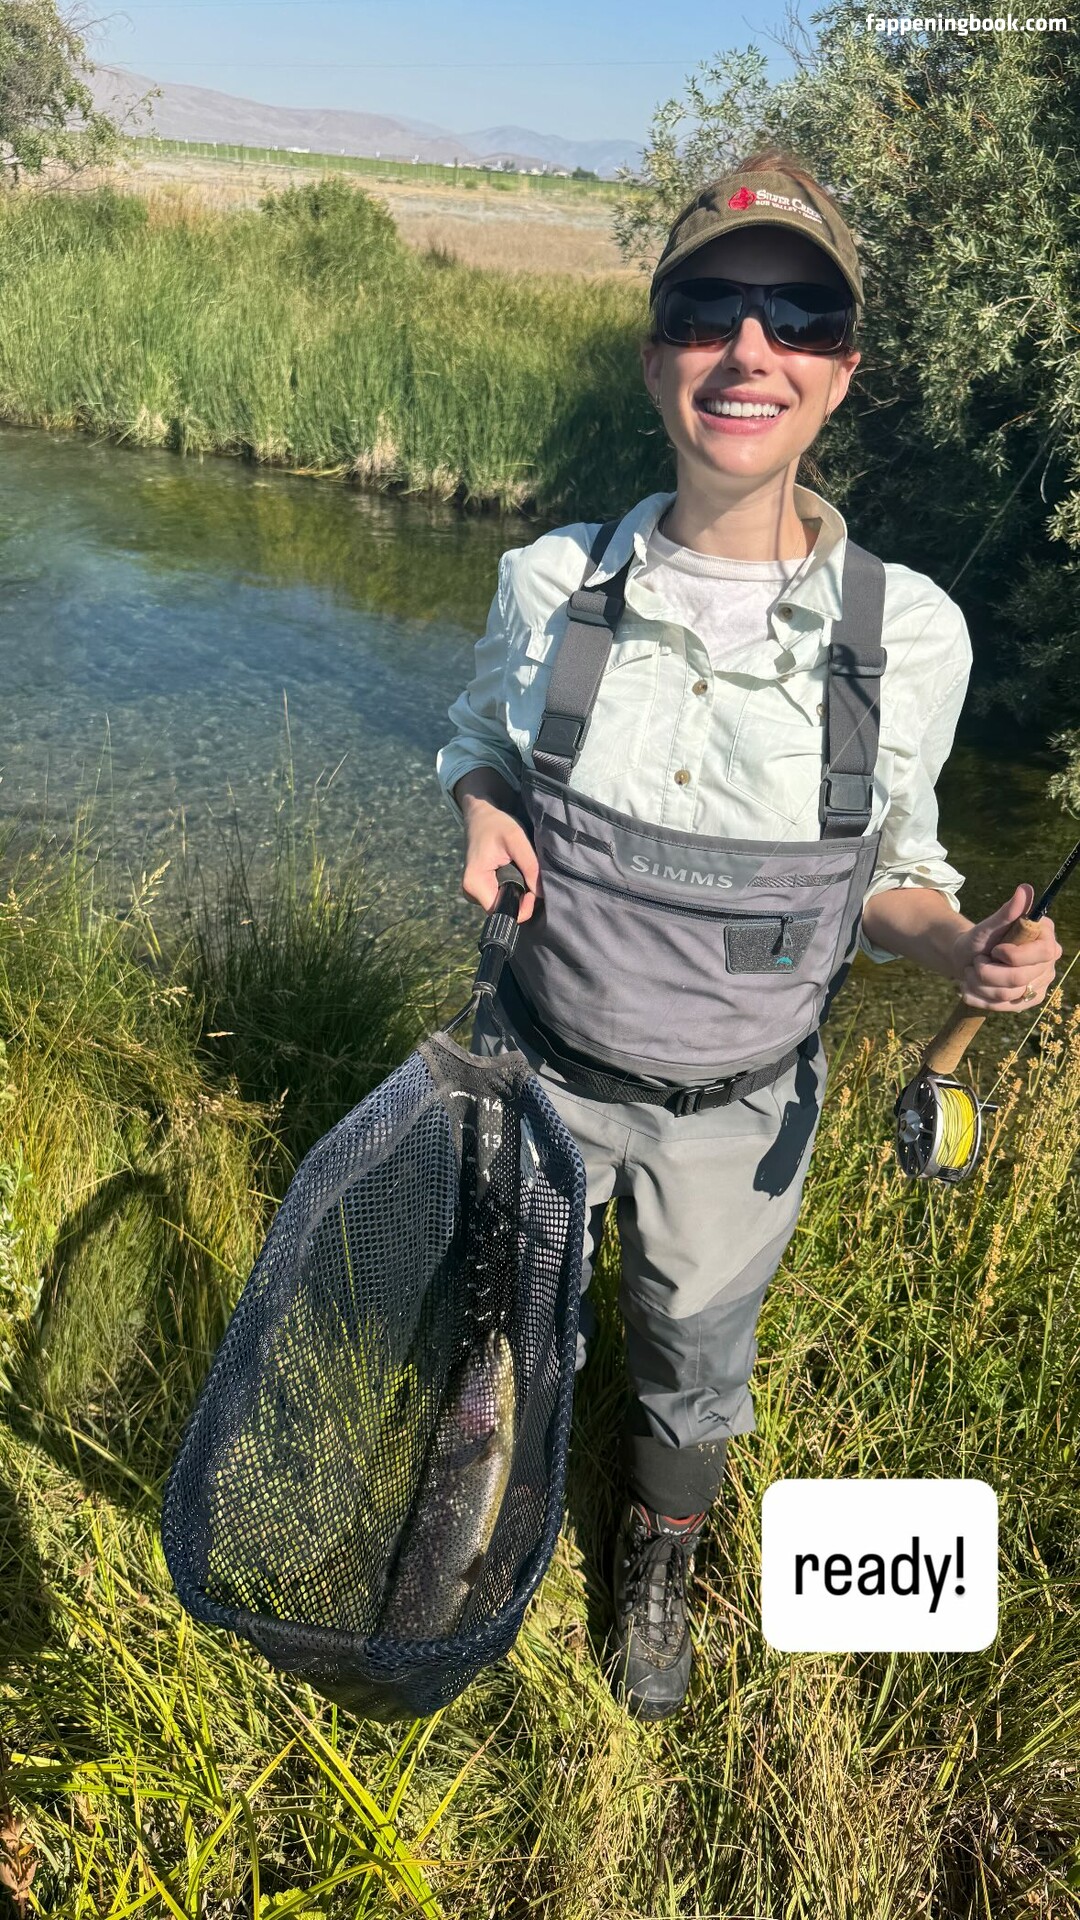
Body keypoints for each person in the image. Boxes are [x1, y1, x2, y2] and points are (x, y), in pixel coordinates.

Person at [435, 151, 1062, 1720]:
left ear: (843, 372)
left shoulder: (909, 636)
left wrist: (957, 952)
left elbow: (893, 876)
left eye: (799, 316)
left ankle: (657, 1558)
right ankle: (477, 1510)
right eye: (709, 308)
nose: (750, 347)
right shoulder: (551, 582)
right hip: (536, 1066)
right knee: (497, 1312)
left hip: (742, 1118)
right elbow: (478, 744)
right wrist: (481, 806)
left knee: (693, 1353)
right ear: (658, 353)